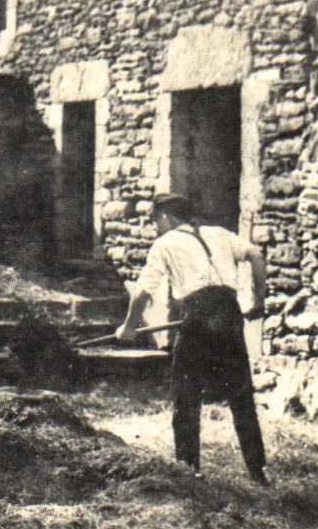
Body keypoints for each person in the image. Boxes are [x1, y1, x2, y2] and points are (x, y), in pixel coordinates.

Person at [115, 193, 269, 484]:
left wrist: (129, 326)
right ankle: (257, 470)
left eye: (154, 221)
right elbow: (257, 256)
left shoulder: (165, 243)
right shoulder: (219, 233)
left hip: (197, 314)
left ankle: (188, 470)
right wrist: (257, 301)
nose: (155, 228)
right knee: (240, 394)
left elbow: (144, 289)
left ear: (165, 218)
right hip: (230, 313)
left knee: (186, 395)